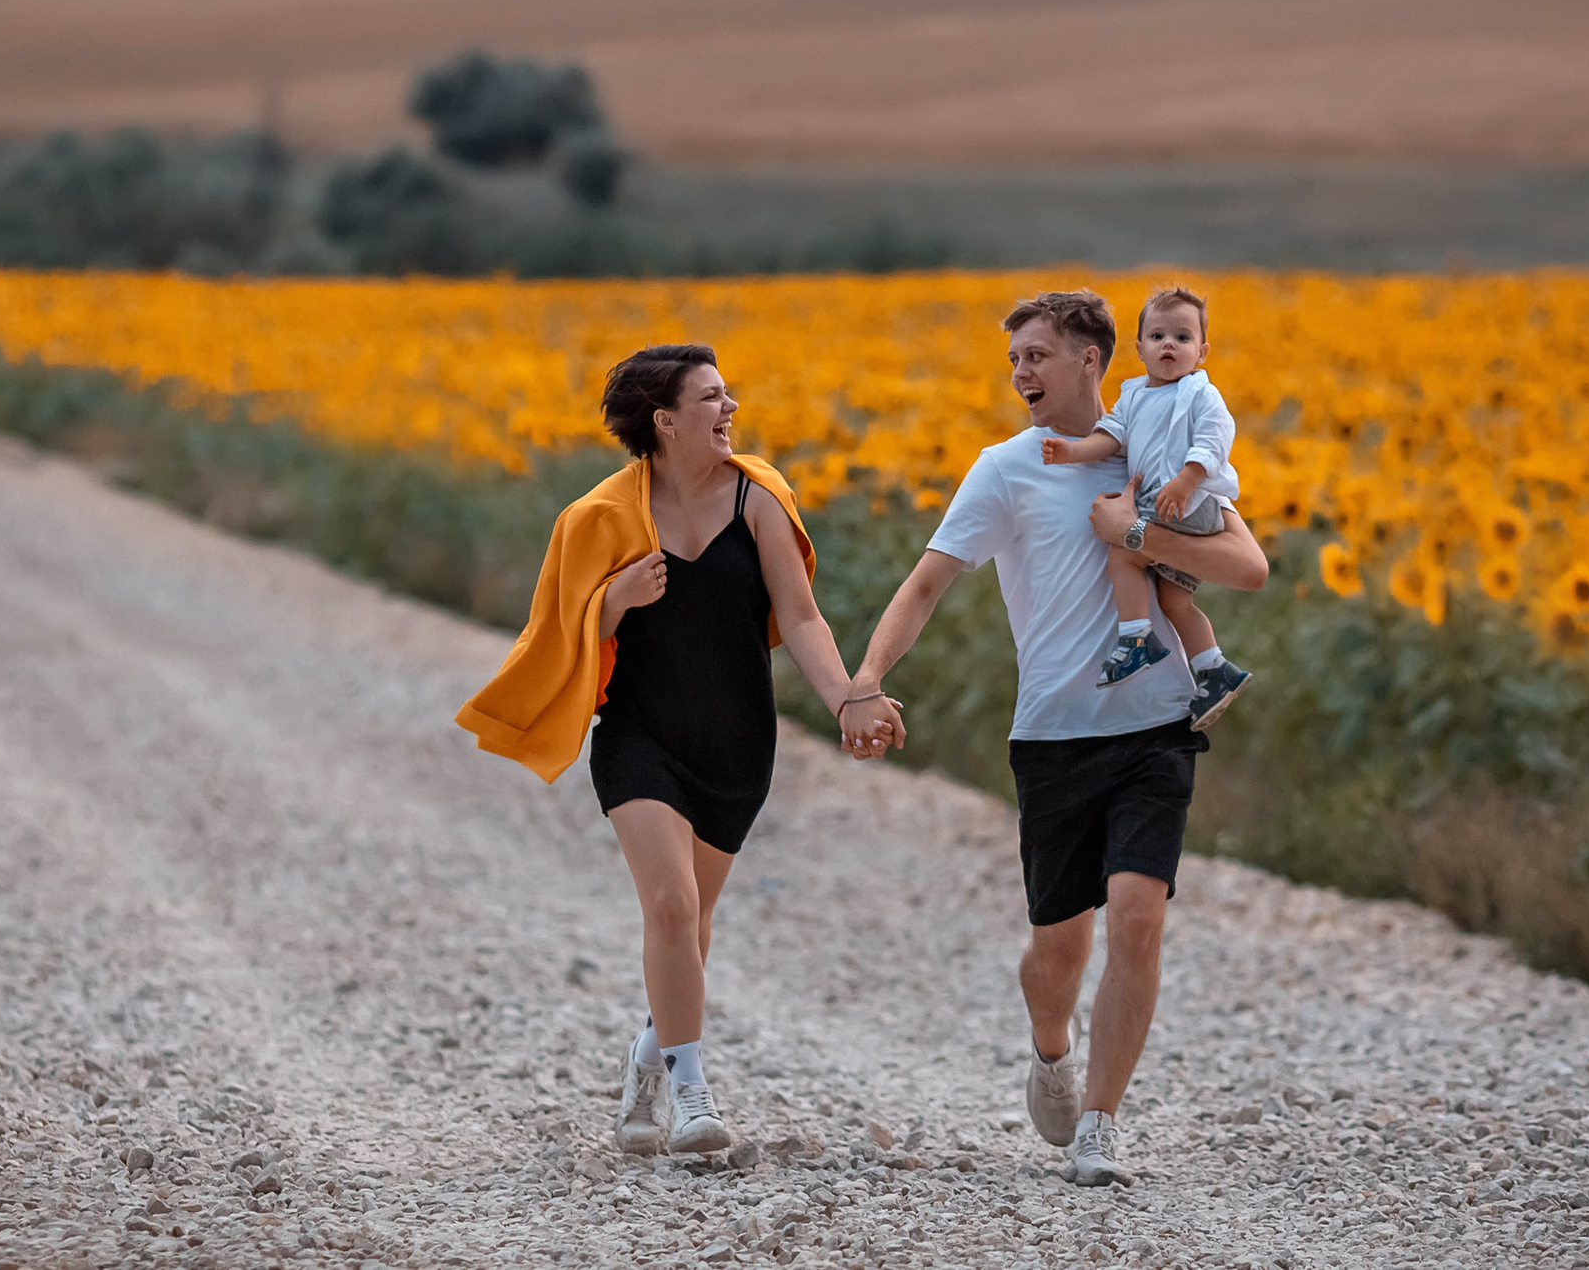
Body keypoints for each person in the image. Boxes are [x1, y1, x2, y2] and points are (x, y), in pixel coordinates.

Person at [841, 291, 1267, 1187]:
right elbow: (925, 585)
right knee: (1059, 947)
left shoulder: (1160, 451)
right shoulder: (1008, 469)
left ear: (1089, 359)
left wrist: (1138, 531)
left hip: (1157, 723)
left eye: (1036, 355)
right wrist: (866, 679)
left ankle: (1102, 1125)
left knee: (1139, 919)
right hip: (1053, 738)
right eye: (1014, 361)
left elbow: (1249, 567)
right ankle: (1050, 1049)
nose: (1020, 374)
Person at [456, 345, 900, 1161]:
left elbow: (800, 619)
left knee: (691, 928)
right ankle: (693, 1092)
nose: (729, 410)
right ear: (663, 421)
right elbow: (555, 639)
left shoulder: (758, 497)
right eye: (710, 399)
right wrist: (612, 601)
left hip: (738, 741)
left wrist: (848, 695)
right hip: (639, 737)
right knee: (669, 907)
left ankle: (645, 1063)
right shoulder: (598, 519)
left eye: (728, 395)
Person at [1040, 284, 1256, 723]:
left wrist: (1186, 480)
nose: (1169, 346)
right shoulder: (1135, 394)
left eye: (1182, 337)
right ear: (1139, 349)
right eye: (1158, 337)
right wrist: (1072, 452)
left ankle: (1136, 639)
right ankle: (1214, 668)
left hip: (1186, 505)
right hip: (1172, 510)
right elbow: (1110, 436)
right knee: (1175, 601)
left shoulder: (1200, 393)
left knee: (1124, 552)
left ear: (1203, 351)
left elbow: (1216, 441)